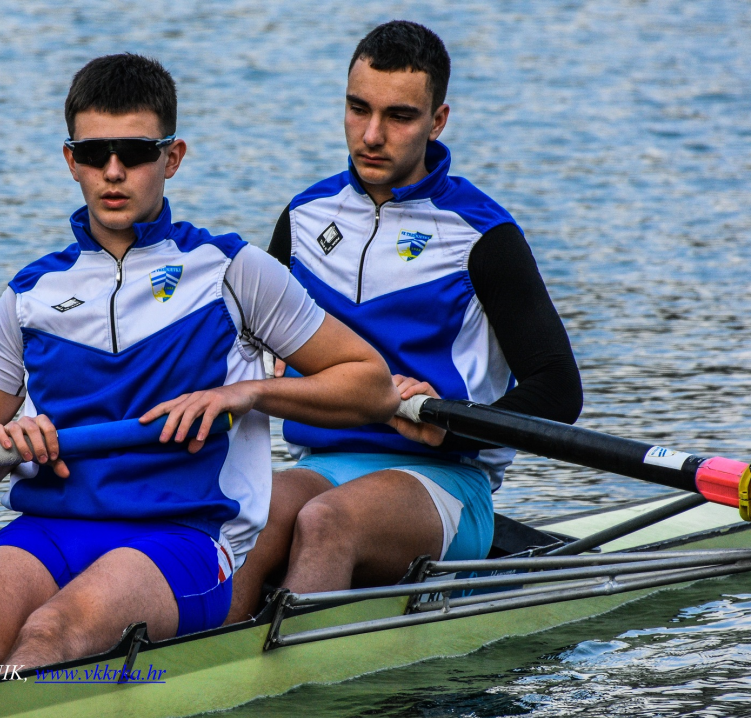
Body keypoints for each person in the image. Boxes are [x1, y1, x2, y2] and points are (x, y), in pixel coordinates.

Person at [0, 53, 396, 670]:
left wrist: (246, 395)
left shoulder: (233, 272)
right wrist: (6, 446)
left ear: (171, 158)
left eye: (136, 153)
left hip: (183, 537)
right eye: (95, 154)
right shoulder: (30, 294)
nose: (113, 172)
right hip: (52, 529)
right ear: (72, 162)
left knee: (50, 634)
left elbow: (371, 383)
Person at [227, 21, 582, 617]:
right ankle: (190, 679)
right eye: (357, 108)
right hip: (322, 466)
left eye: (399, 117)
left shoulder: (484, 236)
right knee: (239, 522)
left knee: (324, 524)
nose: (371, 135)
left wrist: (455, 426)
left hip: (445, 481)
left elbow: (558, 392)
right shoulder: (305, 217)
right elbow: (249, 357)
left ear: (437, 121)